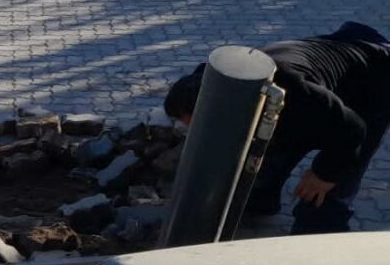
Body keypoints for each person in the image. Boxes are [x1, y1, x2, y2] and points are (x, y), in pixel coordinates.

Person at [164, 21, 390, 234]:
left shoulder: (296, 97)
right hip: (328, 66)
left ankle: (320, 241)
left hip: (374, 83)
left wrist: (324, 173)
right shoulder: (216, 83)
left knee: (323, 195)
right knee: (268, 156)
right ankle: (260, 202)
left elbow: (353, 130)